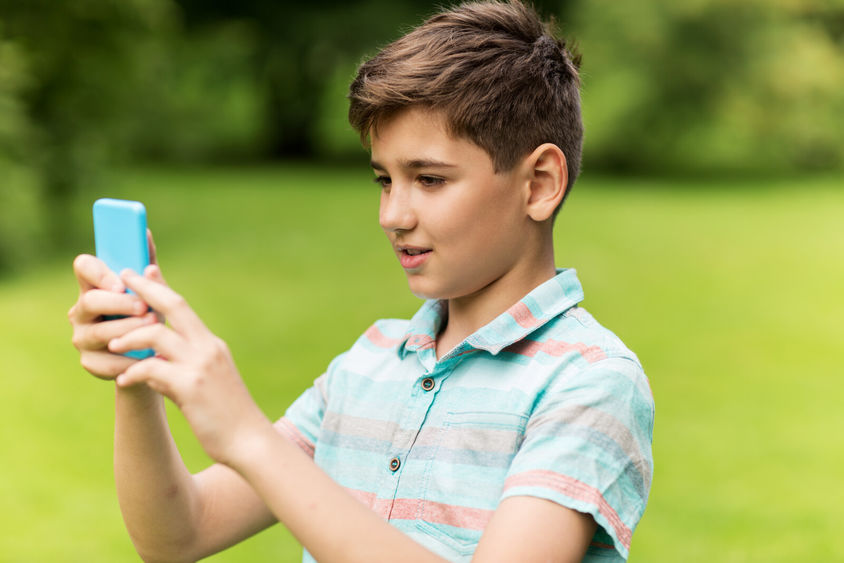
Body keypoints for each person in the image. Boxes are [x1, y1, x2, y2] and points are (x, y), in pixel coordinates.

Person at [68, 1, 654, 561]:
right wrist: (137, 370)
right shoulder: (368, 364)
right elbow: (178, 536)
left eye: (428, 180)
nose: (392, 216)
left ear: (539, 183)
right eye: (384, 180)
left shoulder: (590, 382)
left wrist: (251, 439)